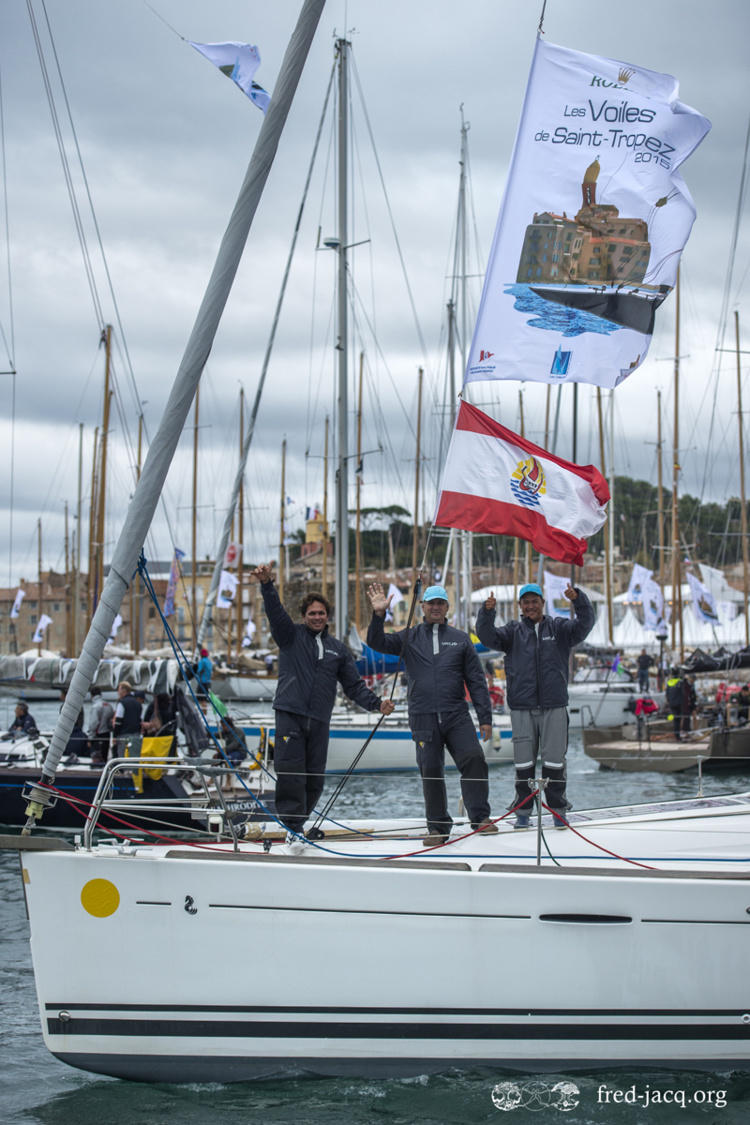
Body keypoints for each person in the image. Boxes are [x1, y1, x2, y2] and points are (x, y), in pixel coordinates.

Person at [253, 562, 395, 850]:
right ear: (304, 616)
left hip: (319, 720)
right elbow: (275, 612)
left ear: (327, 616)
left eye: (321, 613)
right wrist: (267, 585)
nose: (317, 617)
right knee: (291, 774)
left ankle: (298, 825)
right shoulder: (289, 636)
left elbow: (353, 687)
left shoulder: (338, 649)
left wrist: (378, 703)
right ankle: (291, 828)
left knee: (314, 779)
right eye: (312, 613)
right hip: (290, 715)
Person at [366, 582, 497, 847]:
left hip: (456, 714)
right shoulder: (409, 637)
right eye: (431, 603)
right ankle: (437, 827)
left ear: (447, 608)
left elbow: (476, 681)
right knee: (431, 769)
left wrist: (485, 717)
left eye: (440, 603)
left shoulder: (460, 639)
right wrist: (379, 615)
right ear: (423, 607)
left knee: (474, 758)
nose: (435, 607)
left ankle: (480, 818)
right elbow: (376, 641)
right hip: (423, 716)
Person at [475, 582, 594, 830]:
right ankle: (523, 813)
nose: (530, 606)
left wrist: (579, 600)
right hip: (521, 706)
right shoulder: (512, 632)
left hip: (555, 704)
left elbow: (585, 625)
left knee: (554, 762)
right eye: (526, 602)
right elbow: (487, 637)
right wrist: (487, 614)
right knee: (523, 763)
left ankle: (558, 811)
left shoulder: (560, 628)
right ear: (520, 605)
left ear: (542, 603)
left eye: (535, 601)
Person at [113, 681, 142, 755]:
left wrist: (114, 736)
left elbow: (118, 721)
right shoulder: (138, 704)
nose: (118, 692)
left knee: (122, 757)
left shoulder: (122, 703)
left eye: (119, 690)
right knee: (134, 757)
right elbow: (140, 721)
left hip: (123, 735)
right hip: (135, 735)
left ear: (124, 690)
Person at [87, 686, 114, 764]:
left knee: (97, 758)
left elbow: (93, 724)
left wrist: (90, 738)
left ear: (92, 696)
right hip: (107, 734)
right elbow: (111, 721)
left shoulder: (95, 707)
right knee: (104, 757)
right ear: (101, 694)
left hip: (97, 736)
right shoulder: (108, 705)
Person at [666, 670, 692, 741]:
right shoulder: (680, 682)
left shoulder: (669, 682)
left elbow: (667, 694)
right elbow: (683, 693)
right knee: (680, 719)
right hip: (679, 703)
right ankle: (681, 734)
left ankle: (677, 735)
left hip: (672, 703)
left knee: (675, 720)